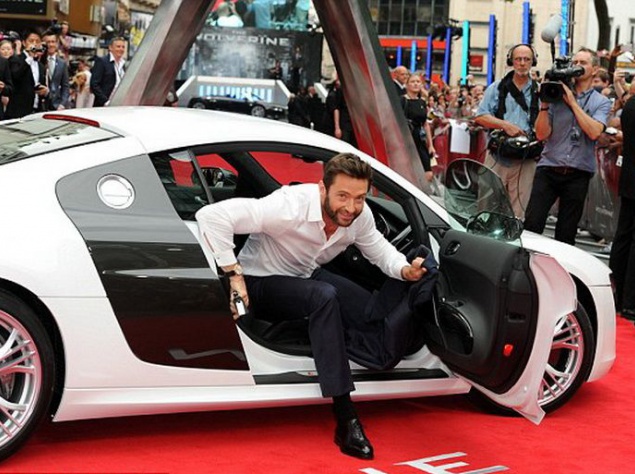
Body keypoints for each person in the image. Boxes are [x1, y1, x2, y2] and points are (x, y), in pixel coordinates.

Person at [195, 153, 429, 460]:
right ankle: (345, 416)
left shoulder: (359, 216)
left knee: (369, 312)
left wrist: (405, 270)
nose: (350, 207)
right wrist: (234, 275)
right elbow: (212, 216)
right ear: (323, 188)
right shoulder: (289, 206)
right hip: (260, 283)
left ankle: (316, 335)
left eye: (359, 198)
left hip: (304, 275)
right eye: (342, 196)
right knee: (324, 296)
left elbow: (378, 249)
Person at [523, 47, 612, 245]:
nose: (577, 66)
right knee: (532, 225)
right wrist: (545, 104)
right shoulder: (555, 93)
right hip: (549, 167)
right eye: (575, 62)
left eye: (583, 63)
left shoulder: (601, 102)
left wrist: (572, 103)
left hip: (578, 173)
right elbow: (541, 134)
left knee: (566, 233)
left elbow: (594, 132)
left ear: (595, 70)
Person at [474, 44, 541, 219]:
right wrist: (505, 126)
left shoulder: (539, 91)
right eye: (518, 59)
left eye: (527, 59)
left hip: (526, 159)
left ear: (533, 62)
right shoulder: (497, 87)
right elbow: (480, 116)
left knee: (518, 213)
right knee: (487, 209)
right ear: (511, 61)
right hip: (497, 155)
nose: (522, 63)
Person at [609, 93, 635, 322]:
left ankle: (615, 297)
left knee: (624, 237)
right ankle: (630, 302)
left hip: (629, 179)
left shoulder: (630, 105)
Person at [4, 29, 48, 119]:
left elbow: (42, 85)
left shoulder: (40, 66)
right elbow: (16, 76)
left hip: (36, 111)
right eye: (31, 41)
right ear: (24, 43)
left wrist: (45, 91)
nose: (34, 44)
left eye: (37, 41)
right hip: (17, 112)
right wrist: (29, 58)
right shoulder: (15, 59)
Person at [401, 73, 435, 182]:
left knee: (428, 173)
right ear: (407, 85)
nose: (415, 84)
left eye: (418, 82)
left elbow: (425, 124)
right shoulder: (402, 100)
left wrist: (431, 145)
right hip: (407, 140)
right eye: (412, 82)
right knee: (408, 172)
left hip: (421, 140)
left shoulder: (422, 102)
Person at [90, 36, 126, 107]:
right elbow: (94, 84)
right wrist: (105, 101)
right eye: (118, 47)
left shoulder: (123, 64)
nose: (121, 49)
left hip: (120, 104)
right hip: (104, 105)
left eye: (123, 47)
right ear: (110, 48)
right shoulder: (102, 61)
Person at [41, 29, 70, 110]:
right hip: (41, 104)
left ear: (57, 44)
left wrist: (62, 104)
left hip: (56, 105)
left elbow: (65, 86)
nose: (50, 45)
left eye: (53, 42)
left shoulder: (62, 63)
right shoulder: (39, 61)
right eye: (48, 42)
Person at [0, 39, 14, 119]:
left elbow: (10, 88)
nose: (6, 51)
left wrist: (3, 88)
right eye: (3, 49)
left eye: (8, 49)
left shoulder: (3, 62)